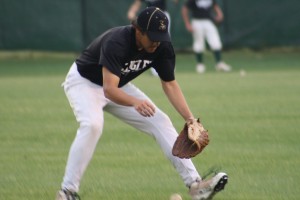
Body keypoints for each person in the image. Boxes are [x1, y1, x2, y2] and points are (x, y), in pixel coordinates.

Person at [56, 7, 228, 200]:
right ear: (138, 30)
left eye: (160, 36)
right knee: (93, 125)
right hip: (84, 83)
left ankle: (196, 186)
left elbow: (169, 84)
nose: (157, 42)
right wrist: (135, 102)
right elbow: (109, 89)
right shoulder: (117, 41)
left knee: (160, 120)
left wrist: (189, 118)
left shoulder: (161, 45)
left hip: (118, 85)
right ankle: (67, 192)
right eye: (152, 36)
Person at [127, 0, 178, 76]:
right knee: (150, 41)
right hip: (150, 18)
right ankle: (154, 68)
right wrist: (132, 12)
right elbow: (136, 4)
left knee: (164, 42)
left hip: (162, 17)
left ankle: (169, 66)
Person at [182, 0, 232, 73]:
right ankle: (200, 65)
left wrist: (219, 14)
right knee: (199, 43)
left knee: (216, 42)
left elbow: (215, 5)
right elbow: (184, 9)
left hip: (209, 21)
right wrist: (187, 24)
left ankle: (219, 63)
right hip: (197, 21)